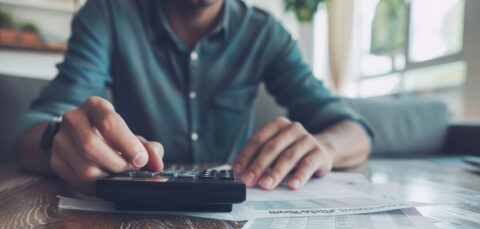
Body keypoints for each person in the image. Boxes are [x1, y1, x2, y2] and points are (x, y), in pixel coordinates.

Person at [17, 0, 372, 195]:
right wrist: (57, 138)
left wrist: (326, 147)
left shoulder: (266, 33)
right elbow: (33, 127)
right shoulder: (107, 14)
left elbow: (350, 128)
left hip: (240, 221)